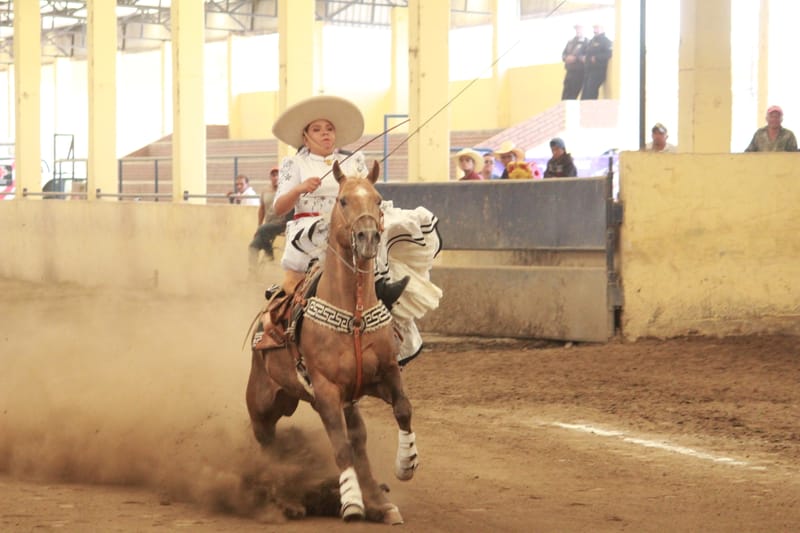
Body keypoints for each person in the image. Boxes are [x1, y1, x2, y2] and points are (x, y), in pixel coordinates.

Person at [270, 94, 442, 362]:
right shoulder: (295, 164)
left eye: (329, 129)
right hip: (312, 227)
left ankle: (382, 289)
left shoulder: (354, 161)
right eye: (317, 130)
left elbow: (367, 194)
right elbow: (279, 207)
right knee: (334, 232)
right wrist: (301, 188)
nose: (325, 134)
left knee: (380, 227)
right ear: (305, 137)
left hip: (354, 222)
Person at [249, 166, 287, 266]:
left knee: (263, 229)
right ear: (270, 177)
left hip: (281, 224)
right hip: (267, 227)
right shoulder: (265, 190)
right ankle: (253, 274)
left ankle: (270, 255)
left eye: (278, 175)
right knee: (253, 247)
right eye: (273, 175)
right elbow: (262, 209)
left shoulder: (287, 190)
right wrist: (259, 225)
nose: (276, 177)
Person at [581, 24, 613, 100]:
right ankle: (584, 111)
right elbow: (586, 52)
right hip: (588, 70)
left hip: (598, 71)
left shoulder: (606, 41)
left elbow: (609, 53)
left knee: (591, 93)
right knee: (584, 94)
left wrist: (597, 58)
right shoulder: (591, 41)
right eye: (594, 28)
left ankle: (590, 110)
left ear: (602, 29)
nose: (594, 30)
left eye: (596, 28)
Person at [561, 24, 588, 100]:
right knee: (565, 93)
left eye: (580, 28)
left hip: (579, 72)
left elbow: (586, 57)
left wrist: (575, 58)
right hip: (569, 71)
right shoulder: (570, 42)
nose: (578, 30)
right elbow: (563, 54)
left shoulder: (587, 42)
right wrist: (566, 58)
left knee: (573, 94)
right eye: (576, 29)